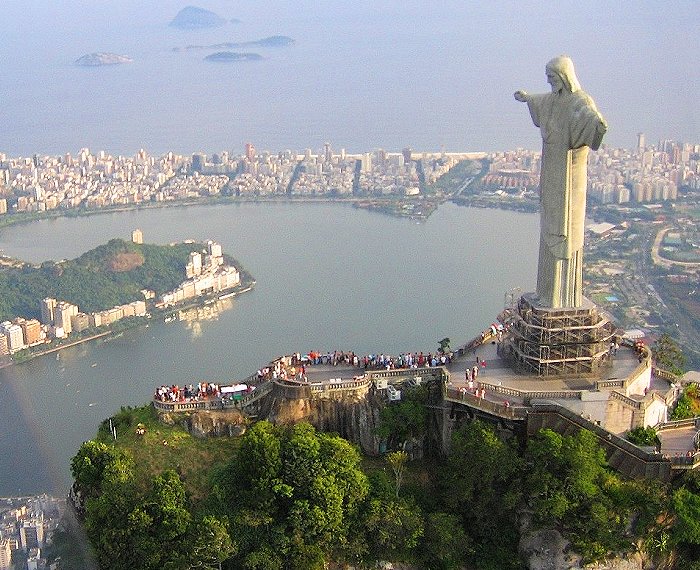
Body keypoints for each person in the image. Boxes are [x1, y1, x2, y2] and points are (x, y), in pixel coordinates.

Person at [515, 56, 607, 308]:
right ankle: (546, 294)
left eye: (553, 78)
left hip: (569, 175)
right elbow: (540, 101)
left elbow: (591, 122)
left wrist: (598, 125)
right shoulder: (552, 100)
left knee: (565, 230)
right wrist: (527, 98)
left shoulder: (580, 102)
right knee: (549, 225)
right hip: (551, 172)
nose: (549, 82)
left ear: (565, 76)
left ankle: (562, 297)